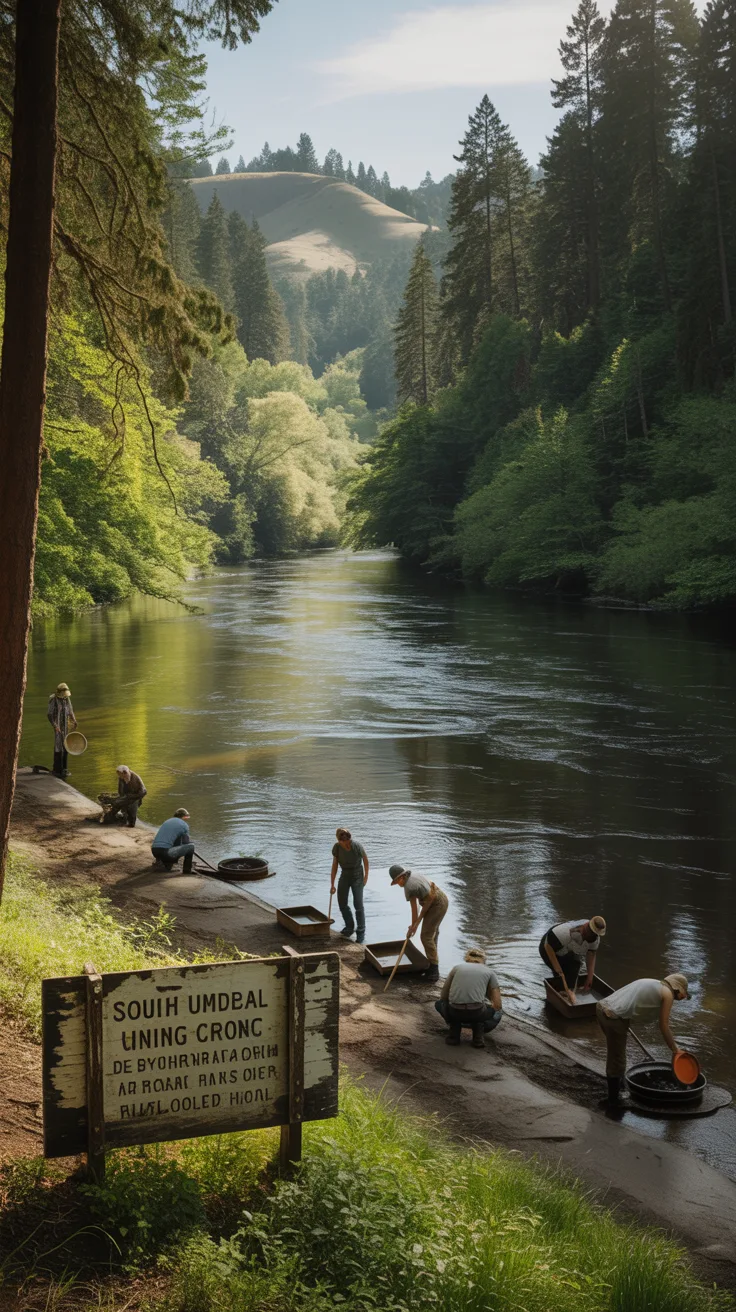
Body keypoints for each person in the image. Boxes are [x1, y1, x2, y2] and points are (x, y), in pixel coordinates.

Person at [596, 973, 689, 1105]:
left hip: (603, 1008)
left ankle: (620, 1085)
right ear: (678, 989)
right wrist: (675, 1049)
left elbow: (629, 1002)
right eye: (684, 993)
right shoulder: (667, 994)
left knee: (617, 1051)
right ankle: (613, 1100)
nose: (682, 997)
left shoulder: (652, 982)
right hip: (613, 1017)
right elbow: (663, 1026)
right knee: (617, 1059)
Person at [389, 863, 449, 983]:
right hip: (441, 900)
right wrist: (413, 925)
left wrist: (415, 925)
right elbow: (416, 906)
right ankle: (432, 964)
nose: (398, 885)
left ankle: (434, 970)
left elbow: (419, 907)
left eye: (397, 882)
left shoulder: (409, 887)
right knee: (431, 935)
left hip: (437, 905)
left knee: (426, 937)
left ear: (401, 877)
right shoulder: (412, 877)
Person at [434, 948, 503, 1048]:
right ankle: (478, 1037)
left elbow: (444, 995)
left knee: (439, 1004)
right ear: (484, 960)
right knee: (495, 1012)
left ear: (467, 958)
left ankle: (454, 1036)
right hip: (477, 1012)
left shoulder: (456, 968)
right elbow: (497, 1004)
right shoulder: (490, 972)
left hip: (455, 1012)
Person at [539, 916, 606, 1005]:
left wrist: (590, 977)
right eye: (592, 933)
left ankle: (569, 992)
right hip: (549, 946)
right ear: (586, 928)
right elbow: (548, 947)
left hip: (568, 949)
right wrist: (558, 969)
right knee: (559, 975)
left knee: (575, 965)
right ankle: (557, 998)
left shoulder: (594, 939)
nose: (593, 936)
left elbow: (591, 954)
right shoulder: (563, 932)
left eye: (595, 935)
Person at [330, 827, 369, 942]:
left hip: (357, 874)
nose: (346, 844)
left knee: (358, 904)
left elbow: (366, 861)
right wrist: (332, 884)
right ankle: (349, 927)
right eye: (343, 842)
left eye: (347, 841)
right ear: (339, 841)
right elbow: (334, 866)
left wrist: (366, 877)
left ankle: (361, 931)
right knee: (342, 902)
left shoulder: (356, 846)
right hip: (345, 874)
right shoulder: (337, 848)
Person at [47, 682, 77, 777]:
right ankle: (57, 769)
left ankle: (64, 769)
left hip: (65, 726)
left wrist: (74, 720)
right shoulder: (53, 700)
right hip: (58, 726)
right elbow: (50, 714)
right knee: (58, 746)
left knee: (66, 746)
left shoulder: (66, 699)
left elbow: (70, 710)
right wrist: (55, 726)